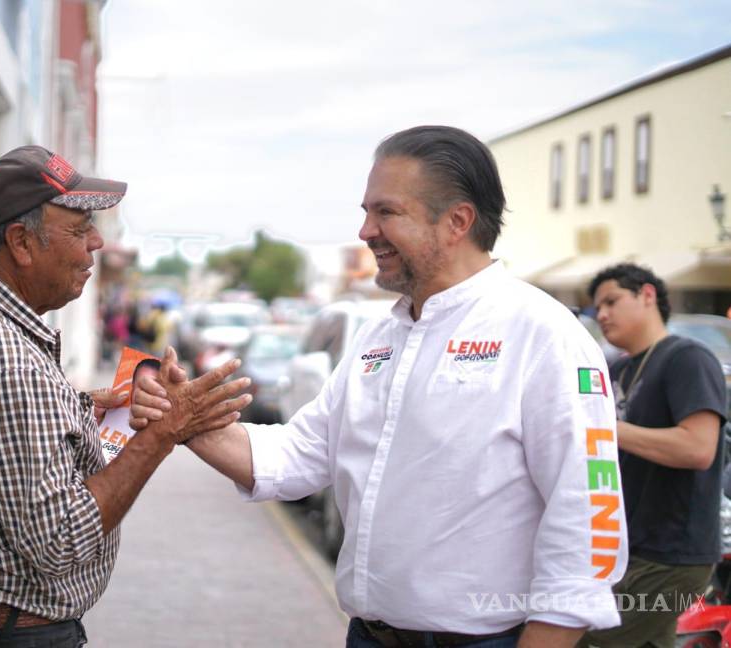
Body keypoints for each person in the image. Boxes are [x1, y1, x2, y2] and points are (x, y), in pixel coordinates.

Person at [132, 126, 627, 648]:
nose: (365, 231)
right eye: (366, 211)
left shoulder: (544, 334)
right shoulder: (381, 335)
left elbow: (586, 523)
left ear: (457, 221)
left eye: (386, 212)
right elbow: (299, 454)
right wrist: (184, 422)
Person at [0, 145, 250, 647]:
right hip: (11, 634)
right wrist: (161, 434)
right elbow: (61, 540)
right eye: (78, 229)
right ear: (21, 242)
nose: (95, 242)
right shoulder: (5, 364)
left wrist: (86, 407)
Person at [578, 263, 727, 648]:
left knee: (590, 639)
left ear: (647, 295)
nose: (603, 314)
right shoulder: (616, 368)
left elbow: (698, 448)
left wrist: (607, 429)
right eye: (597, 308)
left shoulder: (687, 357)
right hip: (625, 547)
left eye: (611, 301)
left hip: (673, 554)